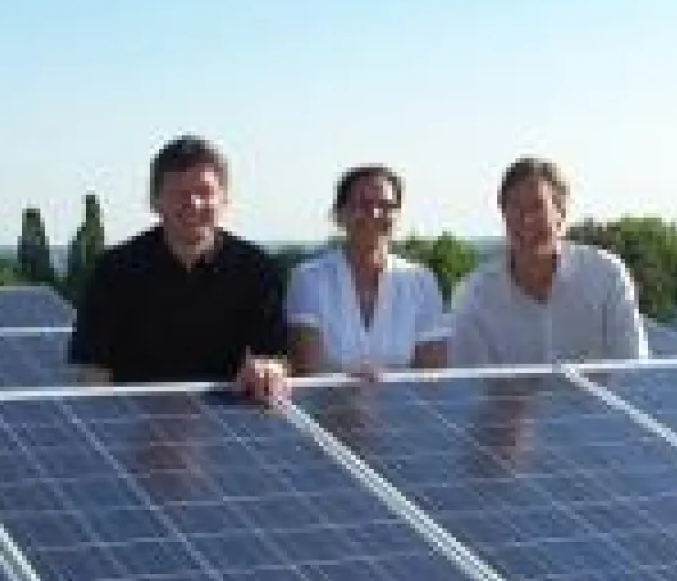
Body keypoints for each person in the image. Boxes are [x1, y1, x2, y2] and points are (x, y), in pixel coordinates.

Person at [68, 134, 289, 402]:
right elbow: (92, 370)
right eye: (180, 194)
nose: (194, 204)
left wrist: (269, 371)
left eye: (205, 193)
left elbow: (274, 358)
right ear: (155, 201)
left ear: (225, 199)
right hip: (135, 425)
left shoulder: (258, 270)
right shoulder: (114, 270)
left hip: (229, 424)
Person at [450, 156, 648, 367]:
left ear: (561, 215)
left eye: (537, 207)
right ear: (503, 215)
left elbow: (632, 370)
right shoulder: (474, 296)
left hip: (595, 401)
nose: (526, 220)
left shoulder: (606, 277)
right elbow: (472, 385)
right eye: (515, 207)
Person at [285, 164, 448, 377]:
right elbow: (307, 371)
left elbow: (432, 377)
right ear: (339, 214)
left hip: (403, 410)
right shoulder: (309, 279)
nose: (375, 213)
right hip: (326, 409)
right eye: (363, 204)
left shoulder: (422, 282)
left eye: (386, 205)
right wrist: (351, 386)